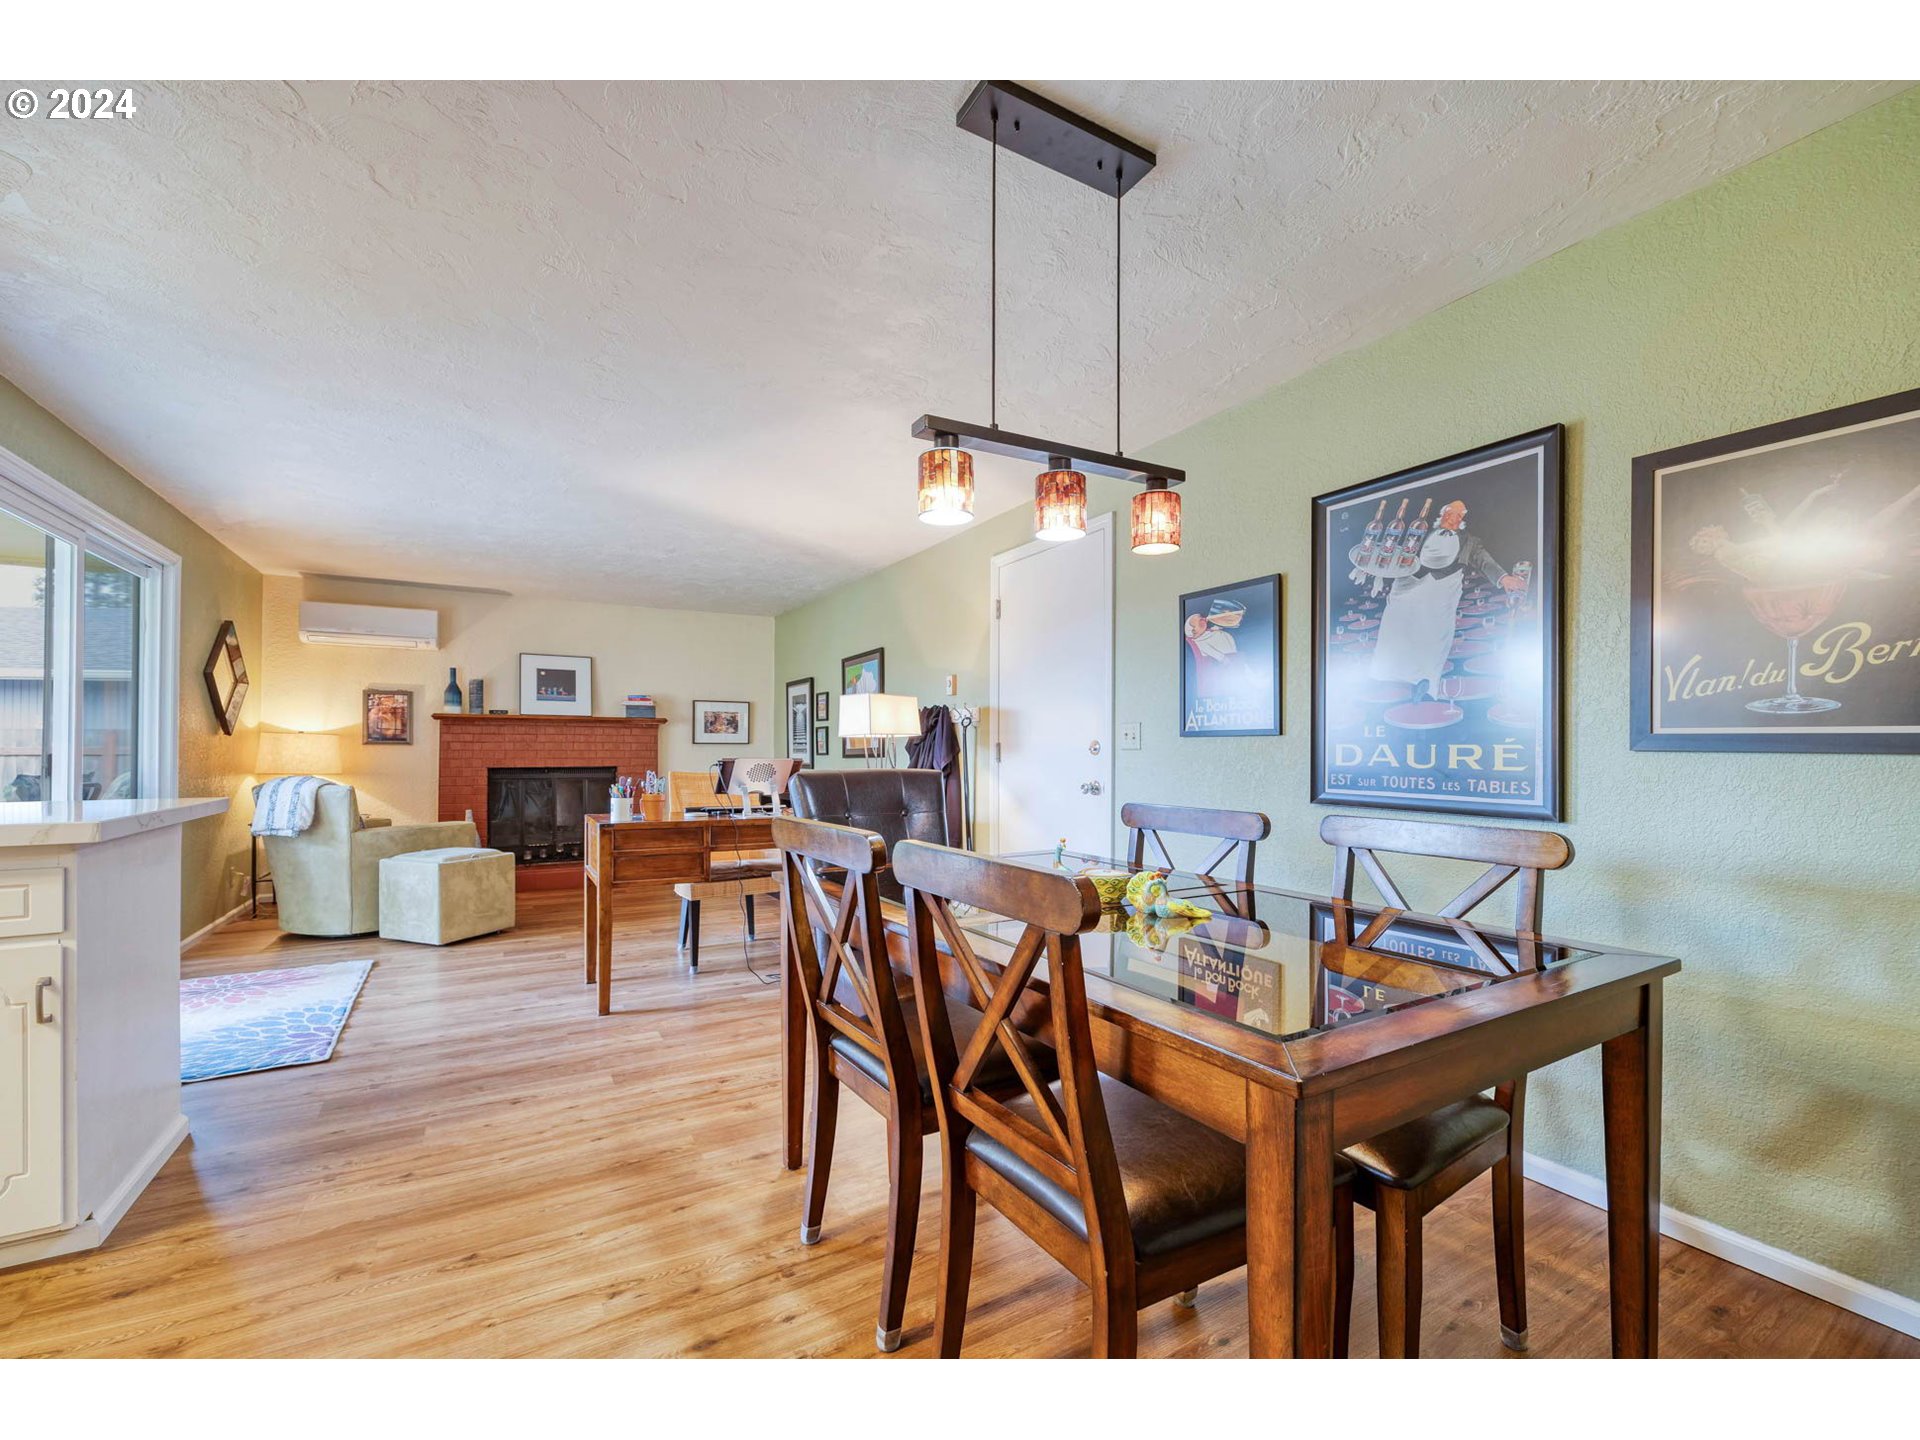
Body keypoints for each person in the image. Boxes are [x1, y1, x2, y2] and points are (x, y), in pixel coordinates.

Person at [1368, 498, 1526, 701]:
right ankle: (1385, 679)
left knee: (1433, 638)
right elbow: (1395, 551)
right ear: (1443, 514)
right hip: (1407, 589)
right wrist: (1378, 575)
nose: (1457, 518)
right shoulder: (1420, 531)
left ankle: (1424, 686)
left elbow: (1483, 560)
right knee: (1396, 630)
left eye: (1461, 514)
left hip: (1441, 593)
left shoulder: (1469, 541)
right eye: (1453, 513)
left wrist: (1504, 578)